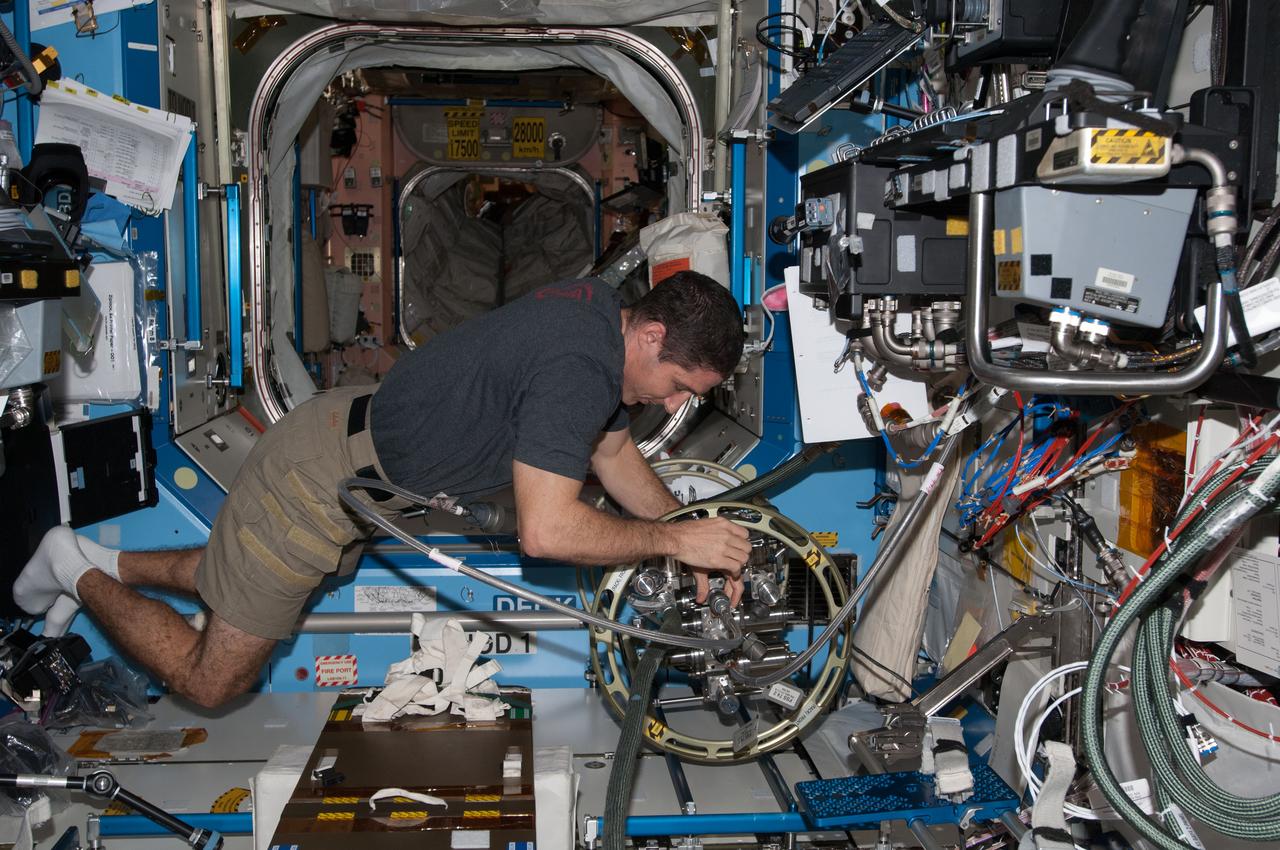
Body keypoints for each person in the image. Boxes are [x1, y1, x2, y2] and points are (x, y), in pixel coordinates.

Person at [13, 271, 751, 708]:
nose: (668, 404)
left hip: (355, 469)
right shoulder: (579, 366)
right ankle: (71, 566)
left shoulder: (600, 321)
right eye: (676, 386)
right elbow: (547, 532)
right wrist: (670, 540)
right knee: (215, 686)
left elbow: (615, 457)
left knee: (228, 573)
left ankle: (92, 561)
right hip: (316, 482)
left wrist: (696, 544)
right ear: (651, 335)